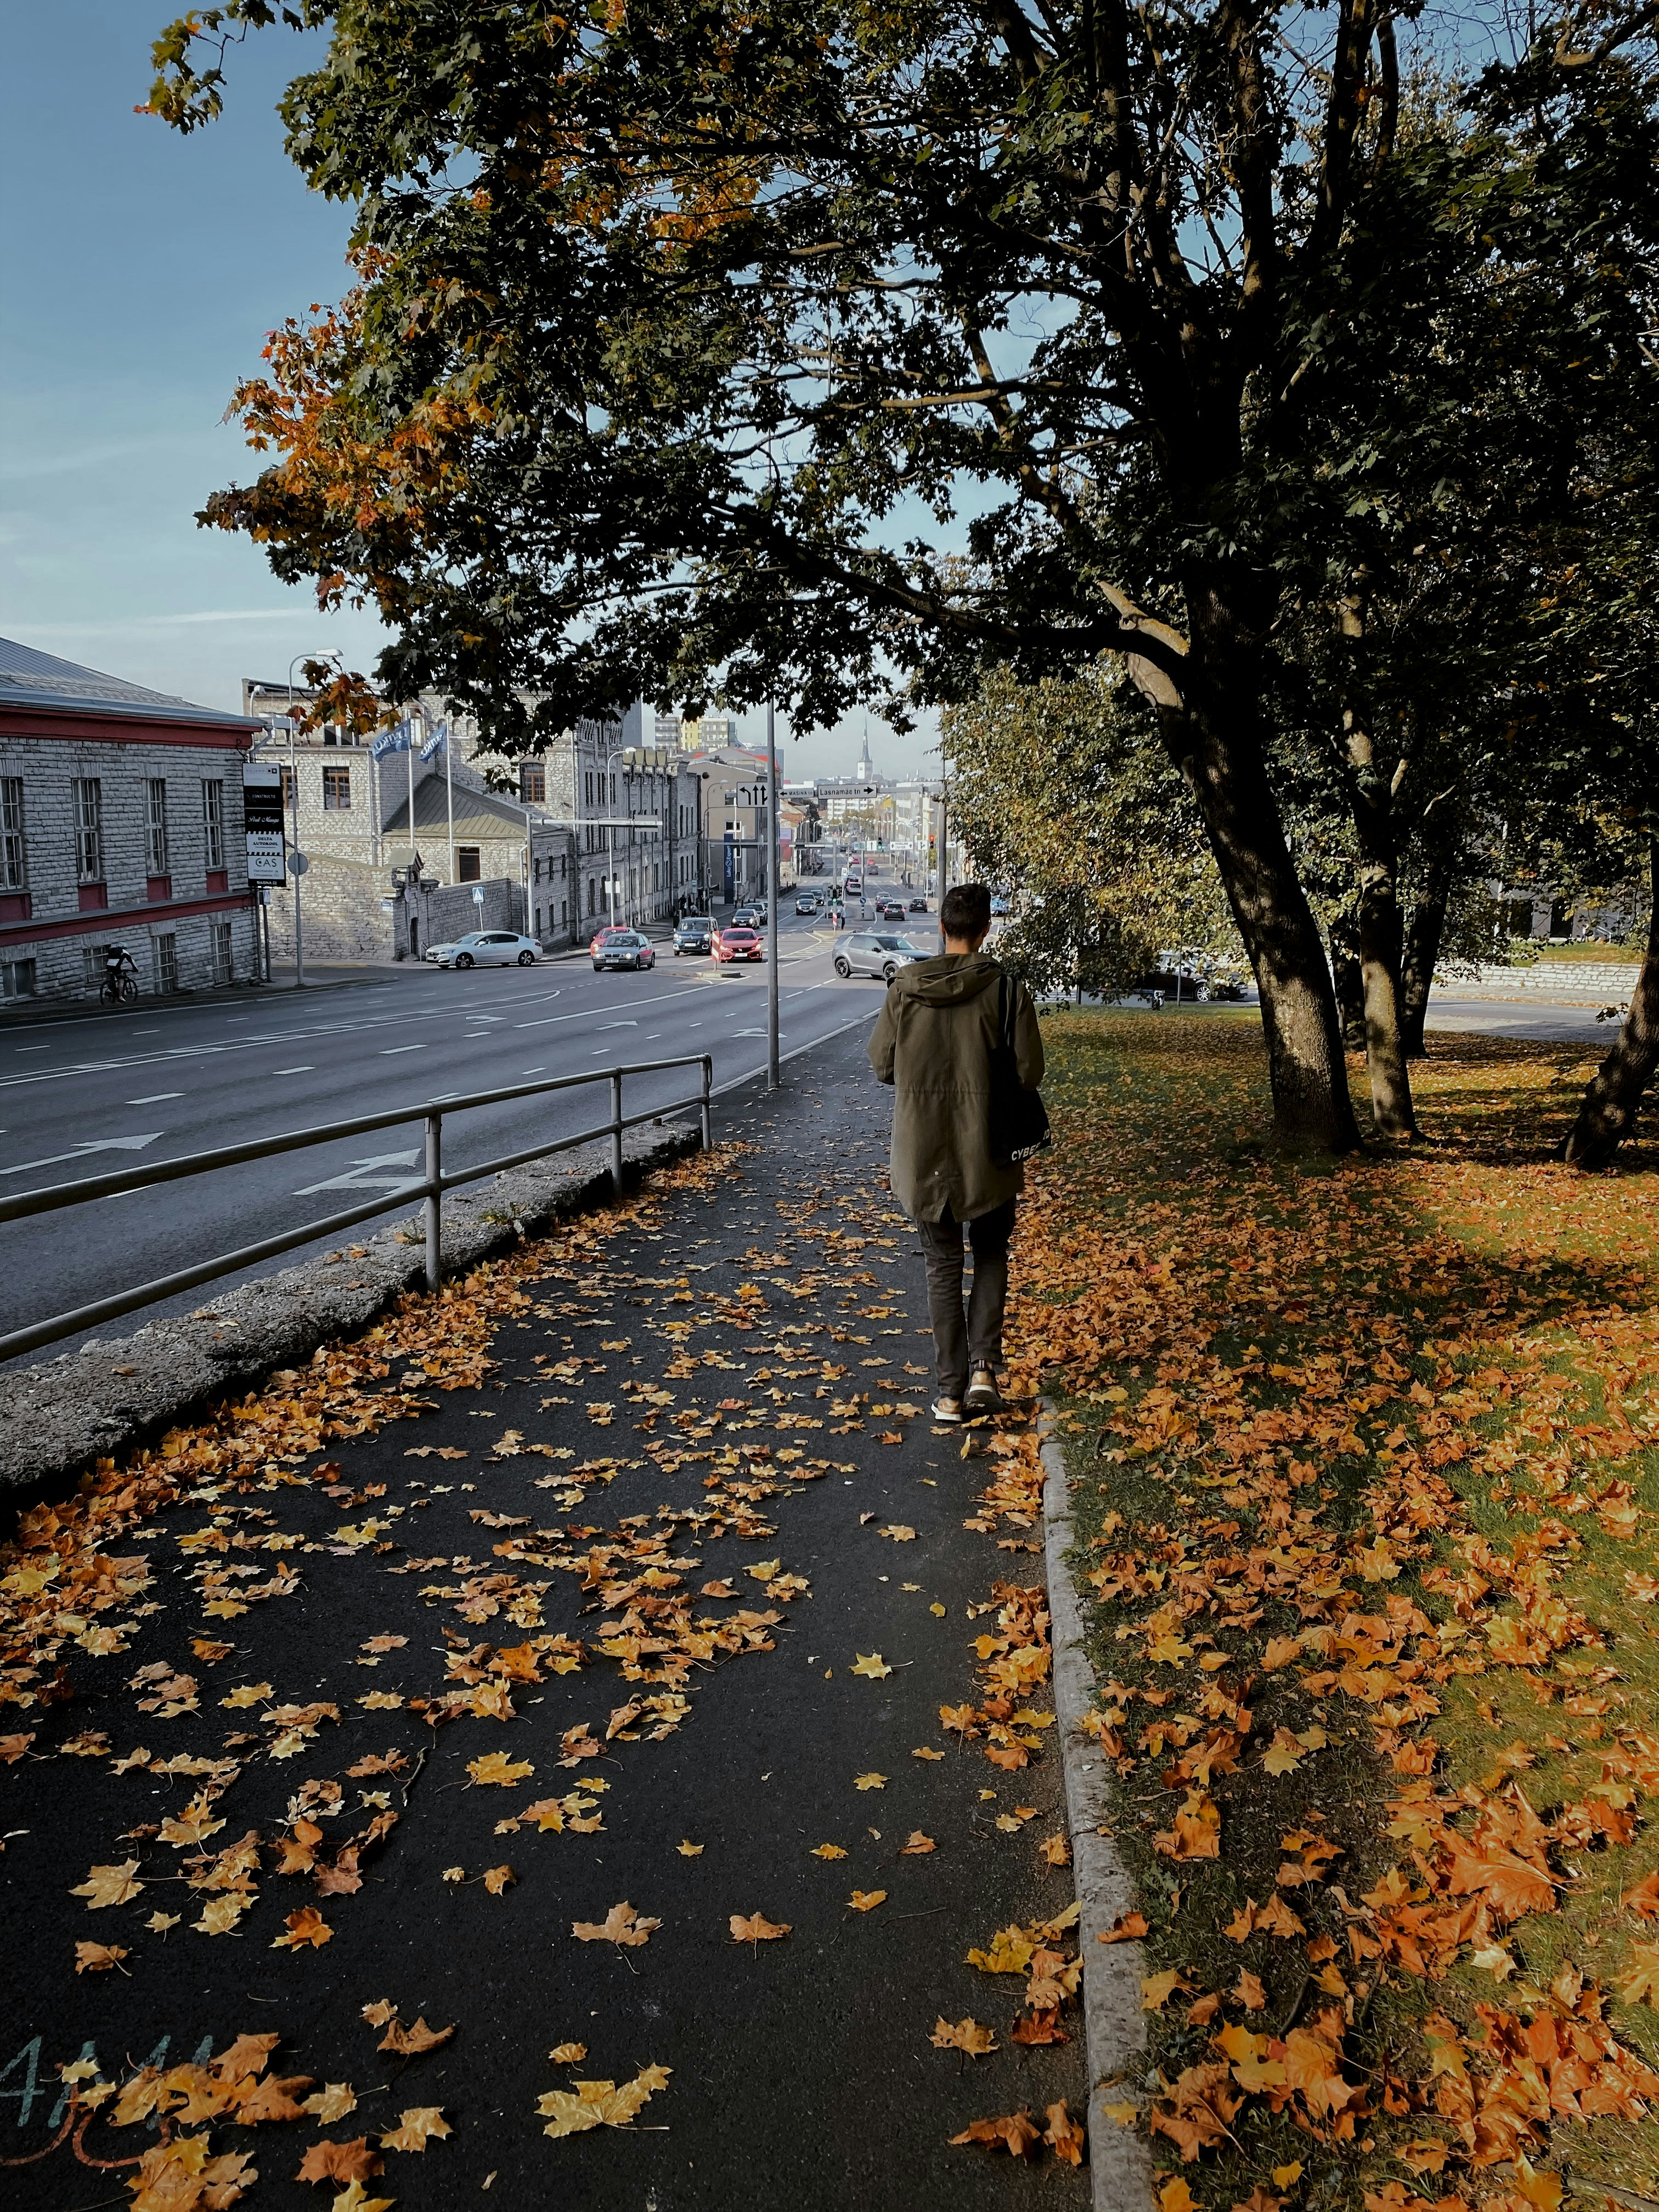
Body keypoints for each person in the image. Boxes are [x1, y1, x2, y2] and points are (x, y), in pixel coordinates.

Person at [868, 881, 1045, 1423]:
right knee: (990, 1253)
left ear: (942, 928)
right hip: (988, 1149)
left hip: (923, 1153)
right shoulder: (1006, 991)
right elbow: (1030, 1072)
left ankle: (949, 1394)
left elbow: (883, 1065)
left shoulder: (904, 991)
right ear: (986, 930)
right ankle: (984, 1370)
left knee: (942, 1265)